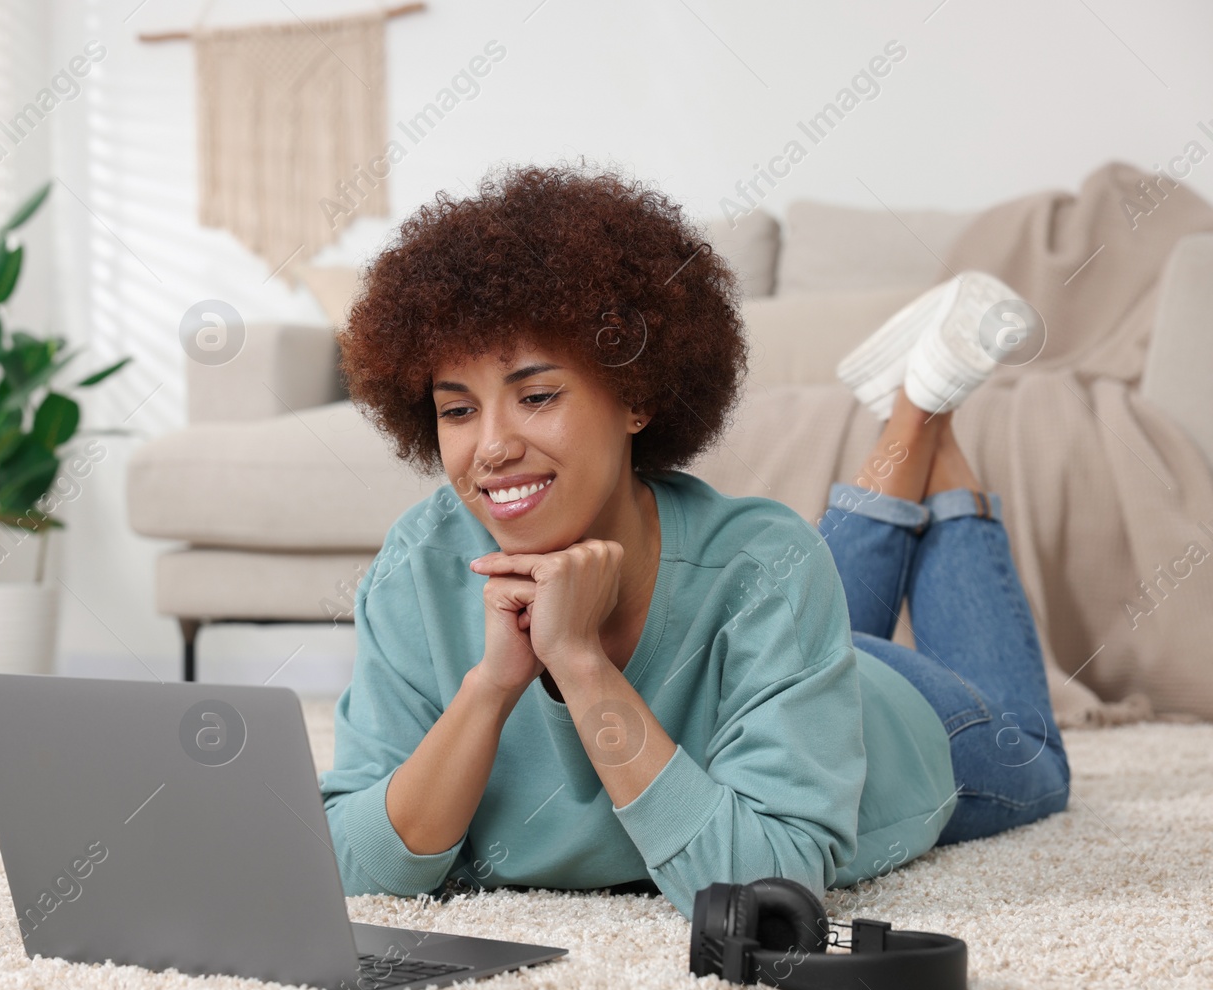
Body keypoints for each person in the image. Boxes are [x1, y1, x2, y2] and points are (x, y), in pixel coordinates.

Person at [316, 162, 1069, 921]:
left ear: (636, 395)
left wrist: (580, 663)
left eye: (537, 396)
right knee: (790, 597)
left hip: (883, 716)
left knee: (1035, 757)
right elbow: (351, 862)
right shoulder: (417, 566)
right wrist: (489, 688)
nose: (492, 447)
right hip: (779, 660)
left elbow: (762, 890)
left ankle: (923, 412)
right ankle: (920, 404)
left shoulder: (763, 567)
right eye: (457, 411)